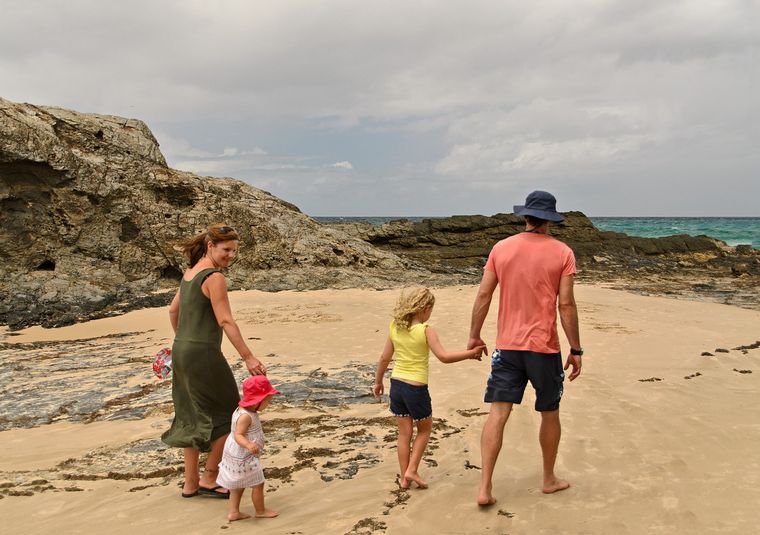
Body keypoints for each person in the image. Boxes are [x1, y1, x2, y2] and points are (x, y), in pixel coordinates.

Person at [468, 190, 583, 506]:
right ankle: (548, 479)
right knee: (549, 412)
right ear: (550, 220)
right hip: (543, 349)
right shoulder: (563, 253)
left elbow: (483, 296)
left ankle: (485, 487)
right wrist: (576, 349)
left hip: (507, 347)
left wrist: (474, 336)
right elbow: (567, 305)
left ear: (527, 216)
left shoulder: (501, 248)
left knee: (498, 412)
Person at [161, 223, 267, 499]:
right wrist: (248, 356)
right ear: (211, 246)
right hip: (203, 353)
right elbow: (225, 320)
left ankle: (190, 483)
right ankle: (210, 477)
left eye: (234, 251)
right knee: (230, 412)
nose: (231, 255)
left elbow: (173, 310)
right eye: (226, 250)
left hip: (182, 349)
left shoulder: (190, 273)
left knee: (190, 414)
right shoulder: (213, 276)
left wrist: (183, 339)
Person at [373, 288, 486, 489]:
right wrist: (470, 354)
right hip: (415, 388)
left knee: (404, 433)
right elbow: (443, 357)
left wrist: (378, 382)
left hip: (396, 385)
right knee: (424, 430)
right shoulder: (426, 330)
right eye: (430, 310)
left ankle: (404, 479)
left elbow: (384, 358)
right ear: (425, 309)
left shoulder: (395, 326)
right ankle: (412, 470)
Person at [216, 375, 280, 521]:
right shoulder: (246, 416)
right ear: (257, 400)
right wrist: (249, 444)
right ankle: (260, 511)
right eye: (267, 400)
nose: (269, 403)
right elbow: (238, 434)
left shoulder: (244, 410)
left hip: (237, 454)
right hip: (243, 456)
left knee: (238, 484)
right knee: (258, 483)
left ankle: (234, 512)